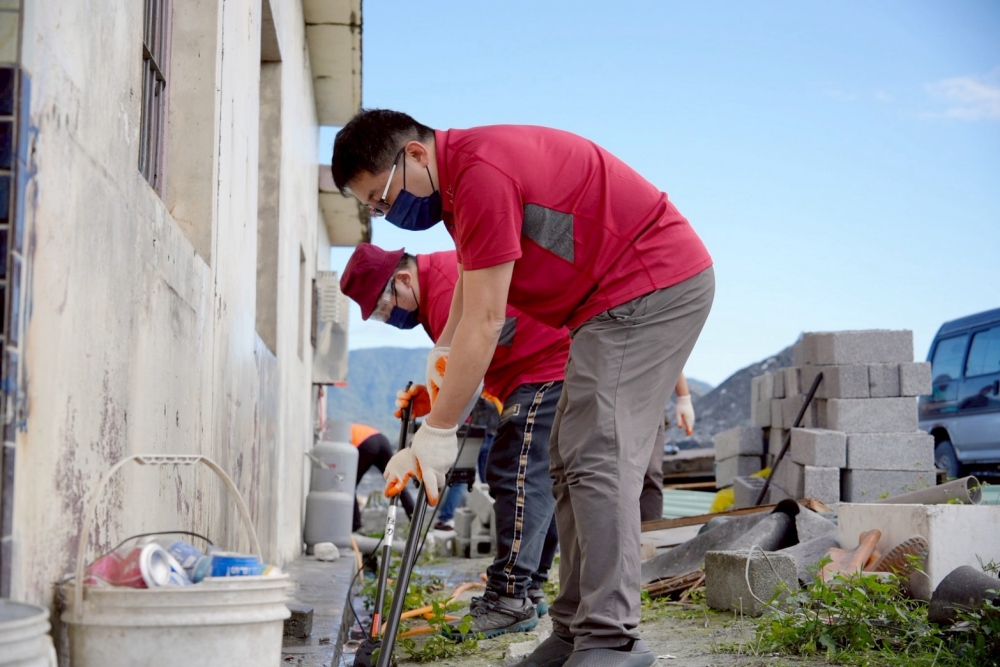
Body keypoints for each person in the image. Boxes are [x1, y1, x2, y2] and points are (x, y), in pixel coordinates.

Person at [332, 110, 714, 667]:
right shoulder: (458, 190)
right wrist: (441, 358)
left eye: (382, 199)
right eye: (374, 209)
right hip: (600, 309)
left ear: (413, 155)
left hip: (650, 285)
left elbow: (487, 322)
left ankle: (611, 638)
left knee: (598, 455)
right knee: (567, 457)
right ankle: (575, 630)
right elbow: (470, 288)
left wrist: (438, 431)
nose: (387, 214)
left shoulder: (481, 173)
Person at [340, 244, 569, 639]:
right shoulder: (437, 290)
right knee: (534, 477)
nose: (388, 318)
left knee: (516, 471)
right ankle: (529, 588)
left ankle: (509, 598)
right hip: (535, 371)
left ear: (403, 279)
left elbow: (474, 355)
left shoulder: (446, 287)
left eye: (384, 307)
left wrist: (437, 423)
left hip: (546, 366)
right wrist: (435, 398)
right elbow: (457, 365)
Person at [640, 376, 696, 523]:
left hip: (651, 403)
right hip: (611, 399)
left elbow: (673, 360)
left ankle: (650, 532)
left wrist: (684, 398)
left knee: (651, 472)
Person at [349, 423, 416, 533]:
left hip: (366, 444)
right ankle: (414, 520)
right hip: (382, 440)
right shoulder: (351, 427)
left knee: (350, 486)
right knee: (397, 483)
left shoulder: (333, 434)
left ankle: (356, 525)